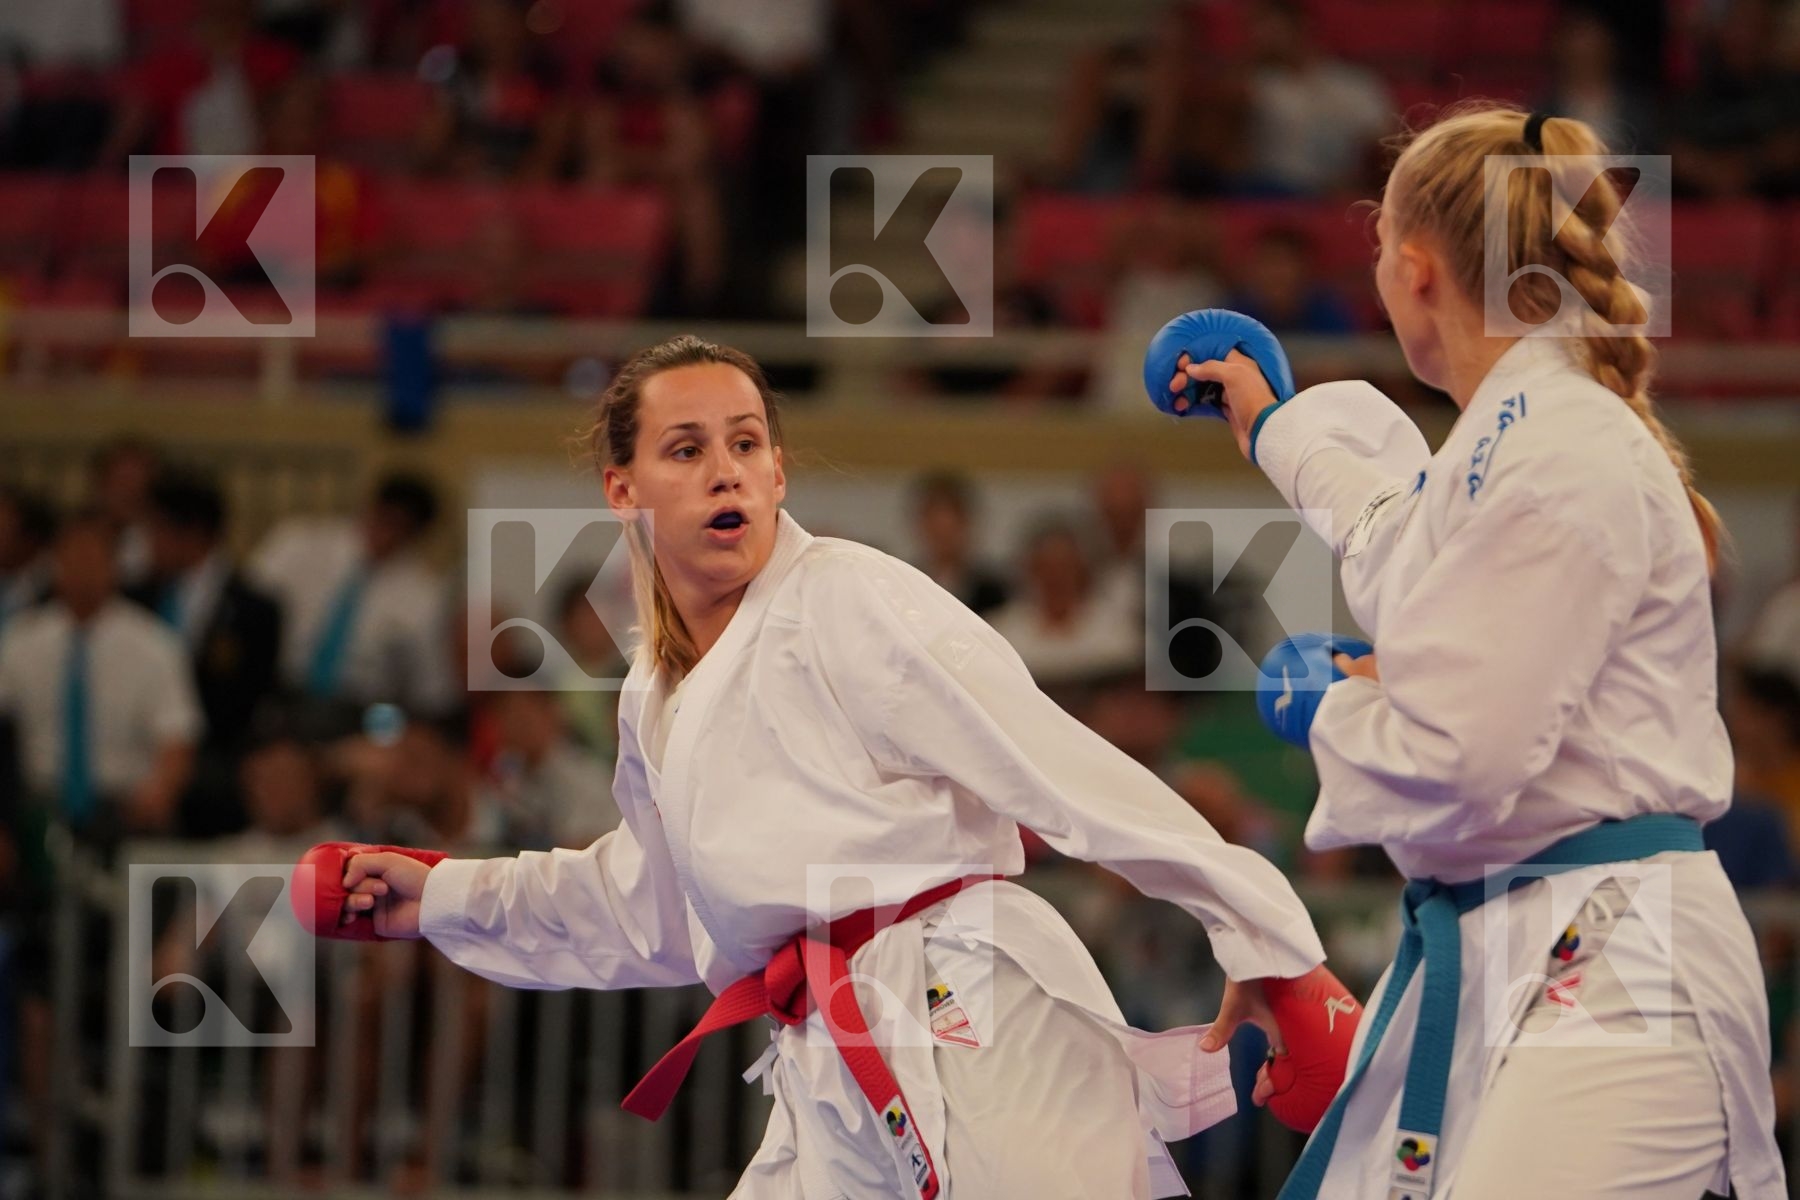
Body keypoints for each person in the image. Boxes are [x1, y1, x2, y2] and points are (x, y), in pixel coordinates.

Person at [311, 334, 1356, 1199]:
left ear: (776, 471)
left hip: (970, 1003)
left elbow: (1057, 768)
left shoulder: (848, 598)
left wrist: (1264, 937)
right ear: (622, 487)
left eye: (746, 442)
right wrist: (443, 896)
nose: (724, 468)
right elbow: (651, 909)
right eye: (685, 449)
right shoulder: (653, 700)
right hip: (823, 1057)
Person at [1169, 105, 1785, 1197]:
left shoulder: (1563, 446)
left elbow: (1463, 756)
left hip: (1617, 955)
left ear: (1413, 273)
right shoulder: (1506, 443)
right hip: (1525, 938)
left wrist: (1332, 708)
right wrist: (1273, 424)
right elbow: (1390, 533)